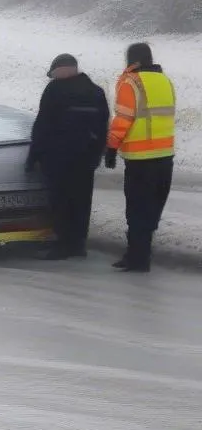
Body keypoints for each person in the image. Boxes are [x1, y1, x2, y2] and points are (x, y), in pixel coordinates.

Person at [25, 53, 109, 260]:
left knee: (61, 201)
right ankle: (78, 244)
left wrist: (33, 156)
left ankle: (63, 244)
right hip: (85, 159)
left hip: (58, 159)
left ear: (58, 71)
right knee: (81, 201)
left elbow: (42, 125)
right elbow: (102, 126)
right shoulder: (95, 91)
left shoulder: (54, 90)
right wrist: (97, 154)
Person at [104, 42, 175, 273]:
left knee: (136, 209)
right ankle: (141, 253)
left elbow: (123, 119)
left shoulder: (131, 82)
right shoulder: (165, 81)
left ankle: (137, 258)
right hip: (165, 156)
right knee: (153, 209)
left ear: (133, 60)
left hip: (140, 159)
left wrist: (112, 148)